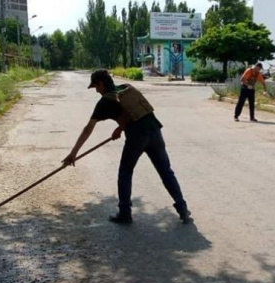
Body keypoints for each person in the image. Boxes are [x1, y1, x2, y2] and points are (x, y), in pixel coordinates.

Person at [62, 70, 192, 224]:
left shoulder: (104, 102)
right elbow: (134, 112)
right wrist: (120, 128)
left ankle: (125, 213)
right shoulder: (126, 88)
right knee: (165, 171)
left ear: (101, 84)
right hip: (154, 131)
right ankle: (182, 209)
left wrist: (73, 153)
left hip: (137, 136)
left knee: (125, 172)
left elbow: (88, 128)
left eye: (96, 87)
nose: (96, 90)